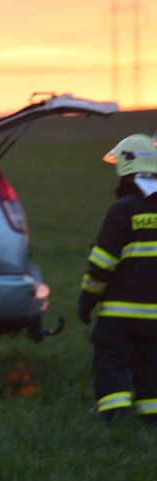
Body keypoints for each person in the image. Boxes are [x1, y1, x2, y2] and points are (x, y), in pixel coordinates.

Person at [76, 133, 157, 424]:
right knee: (151, 367)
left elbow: (102, 264)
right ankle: (151, 417)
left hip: (119, 315)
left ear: (125, 168)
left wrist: (87, 299)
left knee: (111, 361)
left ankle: (113, 415)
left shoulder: (122, 210)